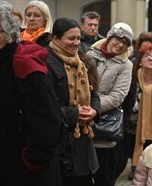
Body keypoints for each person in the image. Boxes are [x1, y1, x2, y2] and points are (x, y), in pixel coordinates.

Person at [0, 1, 62, 186]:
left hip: (22, 170)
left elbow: (48, 119)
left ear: (11, 33)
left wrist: (33, 160)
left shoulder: (25, 65)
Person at [46, 17, 100, 186]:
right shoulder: (46, 62)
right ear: (55, 39)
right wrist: (75, 114)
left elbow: (95, 93)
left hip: (83, 143)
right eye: (71, 38)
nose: (77, 43)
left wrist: (94, 111)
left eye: (78, 38)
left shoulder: (81, 60)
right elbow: (45, 106)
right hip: (61, 145)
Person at [116, 40, 152, 181]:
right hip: (128, 126)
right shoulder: (131, 77)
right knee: (119, 161)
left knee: (151, 155)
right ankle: (133, 167)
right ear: (140, 61)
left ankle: (139, 170)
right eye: (147, 55)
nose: (151, 58)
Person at [86, 22, 133, 186]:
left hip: (102, 122)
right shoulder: (90, 54)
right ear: (110, 37)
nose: (120, 45)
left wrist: (93, 107)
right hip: (80, 118)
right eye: (118, 39)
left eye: (125, 43)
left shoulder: (126, 65)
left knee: (101, 172)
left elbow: (118, 96)